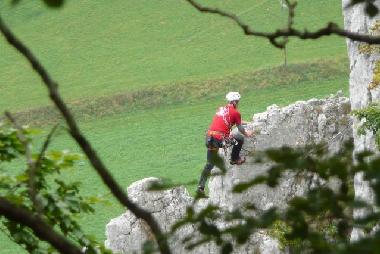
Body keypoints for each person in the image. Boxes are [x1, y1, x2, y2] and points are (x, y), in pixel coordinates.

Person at [197, 92, 254, 195]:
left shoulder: (221, 109)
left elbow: (233, 121)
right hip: (220, 139)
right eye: (238, 102)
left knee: (209, 163)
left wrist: (244, 122)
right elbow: (240, 127)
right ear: (235, 102)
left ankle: (200, 187)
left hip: (210, 138)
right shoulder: (236, 112)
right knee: (239, 139)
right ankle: (235, 159)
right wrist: (247, 133)